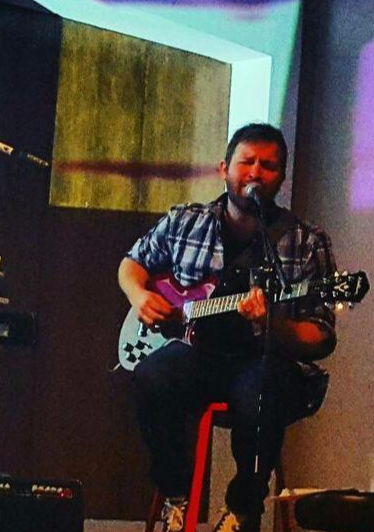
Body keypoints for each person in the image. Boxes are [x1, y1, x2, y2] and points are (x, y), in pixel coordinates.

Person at [118, 123, 337, 532]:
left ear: (281, 177)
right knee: (152, 375)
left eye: (268, 166)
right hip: (197, 354)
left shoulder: (306, 242)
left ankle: (241, 510)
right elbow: (132, 264)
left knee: (261, 390)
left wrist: (272, 324)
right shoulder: (185, 221)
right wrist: (138, 295)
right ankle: (175, 495)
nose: (256, 172)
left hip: (262, 363)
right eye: (246, 162)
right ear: (224, 168)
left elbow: (321, 336)